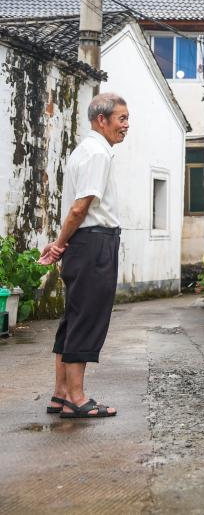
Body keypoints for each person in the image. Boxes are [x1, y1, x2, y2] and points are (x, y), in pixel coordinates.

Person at [42, 93, 129, 419]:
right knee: (87, 318)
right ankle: (77, 398)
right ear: (101, 120)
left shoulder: (86, 150)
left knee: (74, 316)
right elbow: (81, 207)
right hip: (94, 244)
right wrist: (59, 244)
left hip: (85, 242)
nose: (126, 125)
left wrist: (61, 243)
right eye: (121, 118)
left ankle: (61, 394)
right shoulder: (97, 153)